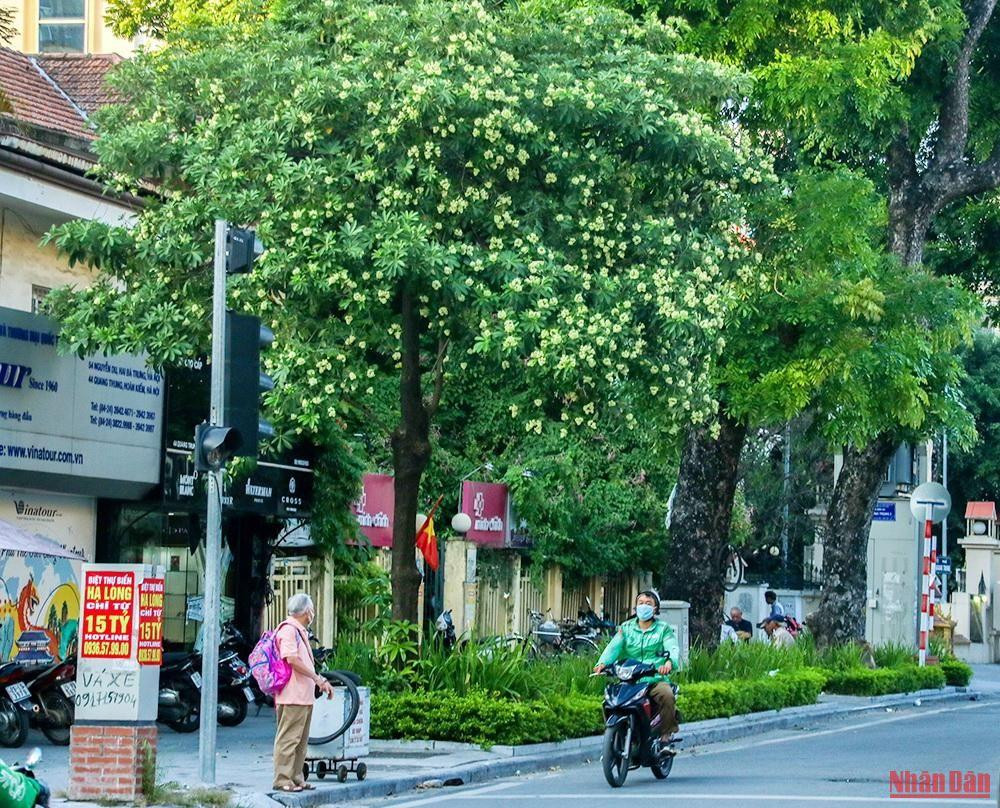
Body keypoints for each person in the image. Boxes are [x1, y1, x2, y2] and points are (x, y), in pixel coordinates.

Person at [593, 591, 680, 742]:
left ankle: (666, 736)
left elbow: (672, 647)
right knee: (609, 700)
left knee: (667, 695)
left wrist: (669, 662)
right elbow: (614, 647)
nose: (643, 607)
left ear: (655, 609)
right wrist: (602, 663)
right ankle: (614, 735)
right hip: (630, 680)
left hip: (654, 678)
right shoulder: (625, 628)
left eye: (648, 604)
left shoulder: (663, 629)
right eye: (640, 603)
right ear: (635, 607)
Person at [273, 593, 335, 794]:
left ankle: (297, 778)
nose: (313, 613)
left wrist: (318, 680)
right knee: (288, 739)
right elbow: (291, 659)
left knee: (300, 741)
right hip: (292, 695)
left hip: (303, 696)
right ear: (307, 612)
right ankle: (282, 779)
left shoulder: (299, 631)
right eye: (312, 609)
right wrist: (317, 678)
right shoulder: (289, 630)